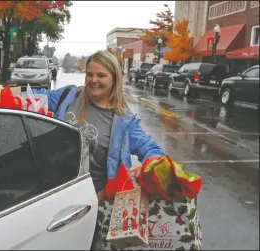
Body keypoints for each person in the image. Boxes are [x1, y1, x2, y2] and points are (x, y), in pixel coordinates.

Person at [27, 50, 165, 250]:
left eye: (101, 75)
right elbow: (37, 98)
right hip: (50, 193)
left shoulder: (124, 121)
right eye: (89, 74)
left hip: (92, 205)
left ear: (114, 79)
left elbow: (151, 149)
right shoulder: (69, 96)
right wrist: (3, 92)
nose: (93, 80)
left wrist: (148, 167)